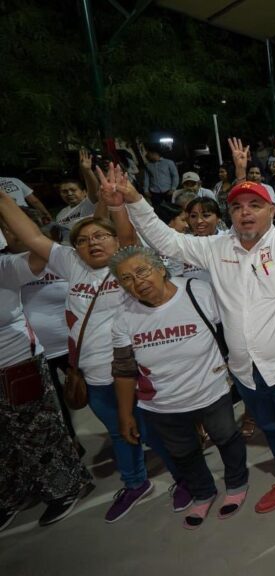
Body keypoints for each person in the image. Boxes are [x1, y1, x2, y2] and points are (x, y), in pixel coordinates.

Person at [108, 133, 275, 546]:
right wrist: (134, 198)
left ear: (272, 210)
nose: (246, 213)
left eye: (255, 205)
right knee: (271, 430)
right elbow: (164, 239)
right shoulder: (215, 248)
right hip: (246, 370)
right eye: (238, 206)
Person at [0, 190, 187, 523]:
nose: (92, 243)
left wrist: (117, 204)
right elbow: (32, 237)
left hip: (132, 374)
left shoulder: (126, 265)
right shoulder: (71, 263)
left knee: (152, 432)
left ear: (115, 240)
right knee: (119, 433)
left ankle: (185, 479)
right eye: (83, 240)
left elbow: (127, 233)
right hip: (93, 376)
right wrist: (2, 198)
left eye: (101, 236)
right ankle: (136, 484)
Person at [108, 246, 249, 530]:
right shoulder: (124, 318)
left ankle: (236, 484)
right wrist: (125, 414)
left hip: (210, 391)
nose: (137, 282)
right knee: (183, 452)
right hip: (161, 403)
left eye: (142, 271)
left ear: (161, 268)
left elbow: (233, 330)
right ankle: (203, 492)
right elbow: (124, 371)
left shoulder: (198, 292)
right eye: (127, 279)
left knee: (226, 438)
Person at [0, 192, 91, 532]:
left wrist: (3, 203)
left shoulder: (5, 267)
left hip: (15, 362)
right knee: (6, 442)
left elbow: (39, 253)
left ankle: (67, 486)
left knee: (39, 433)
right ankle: (14, 493)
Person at [140, 142, 179, 206]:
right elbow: (146, 178)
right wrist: (146, 190)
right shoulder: (148, 165)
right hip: (154, 192)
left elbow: (175, 176)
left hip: (168, 190)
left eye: (148, 153)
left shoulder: (168, 162)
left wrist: (173, 188)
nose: (147, 154)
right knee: (158, 208)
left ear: (154, 153)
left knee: (172, 207)